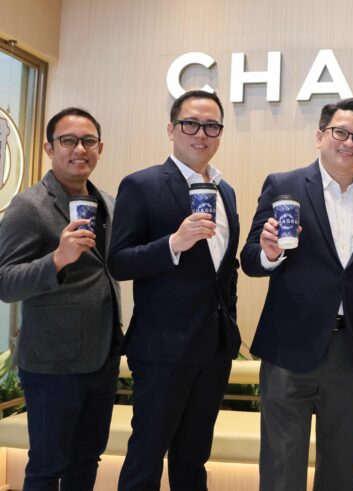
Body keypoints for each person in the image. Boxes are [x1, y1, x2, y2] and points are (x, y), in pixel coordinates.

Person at [240, 97, 353, 491]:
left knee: (343, 464)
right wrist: (270, 253)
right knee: (282, 464)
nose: (349, 142)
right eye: (340, 132)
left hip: (351, 349)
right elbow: (250, 259)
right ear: (320, 136)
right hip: (289, 346)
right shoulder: (284, 185)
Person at [108, 90, 241, 490]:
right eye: (191, 124)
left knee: (193, 459)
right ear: (171, 129)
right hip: (162, 348)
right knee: (146, 457)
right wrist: (173, 244)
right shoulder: (142, 185)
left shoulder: (226, 190)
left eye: (212, 126)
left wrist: (229, 325)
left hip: (214, 349)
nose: (201, 134)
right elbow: (119, 261)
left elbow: (225, 270)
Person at [0, 107, 122, 490]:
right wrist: (57, 259)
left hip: (102, 357)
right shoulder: (28, 206)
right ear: (49, 148)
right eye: (68, 140)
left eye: (88, 141)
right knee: (47, 465)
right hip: (52, 362)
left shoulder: (108, 202)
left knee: (86, 460)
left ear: (100, 148)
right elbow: (5, 283)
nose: (79, 149)